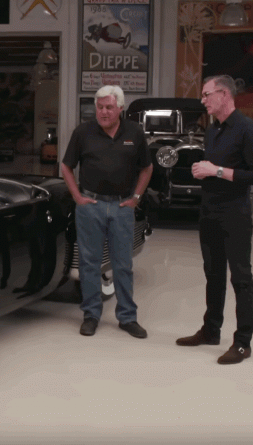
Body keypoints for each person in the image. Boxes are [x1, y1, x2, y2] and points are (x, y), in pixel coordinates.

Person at [177, 74, 253, 364]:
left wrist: (215, 171)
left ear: (225, 95)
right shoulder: (213, 130)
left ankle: (242, 343)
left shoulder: (246, 128)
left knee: (241, 277)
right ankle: (210, 330)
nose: (202, 100)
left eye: (206, 94)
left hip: (235, 214)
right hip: (210, 212)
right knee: (213, 274)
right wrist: (202, 170)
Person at [60, 85, 153, 338]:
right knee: (89, 264)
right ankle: (91, 315)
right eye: (99, 107)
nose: (103, 112)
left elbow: (147, 168)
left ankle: (127, 317)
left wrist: (136, 197)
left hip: (123, 207)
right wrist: (77, 197)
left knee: (123, 264)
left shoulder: (134, 132)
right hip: (91, 206)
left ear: (120, 108)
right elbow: (66, 166)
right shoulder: (83, 132)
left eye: (109, 107)